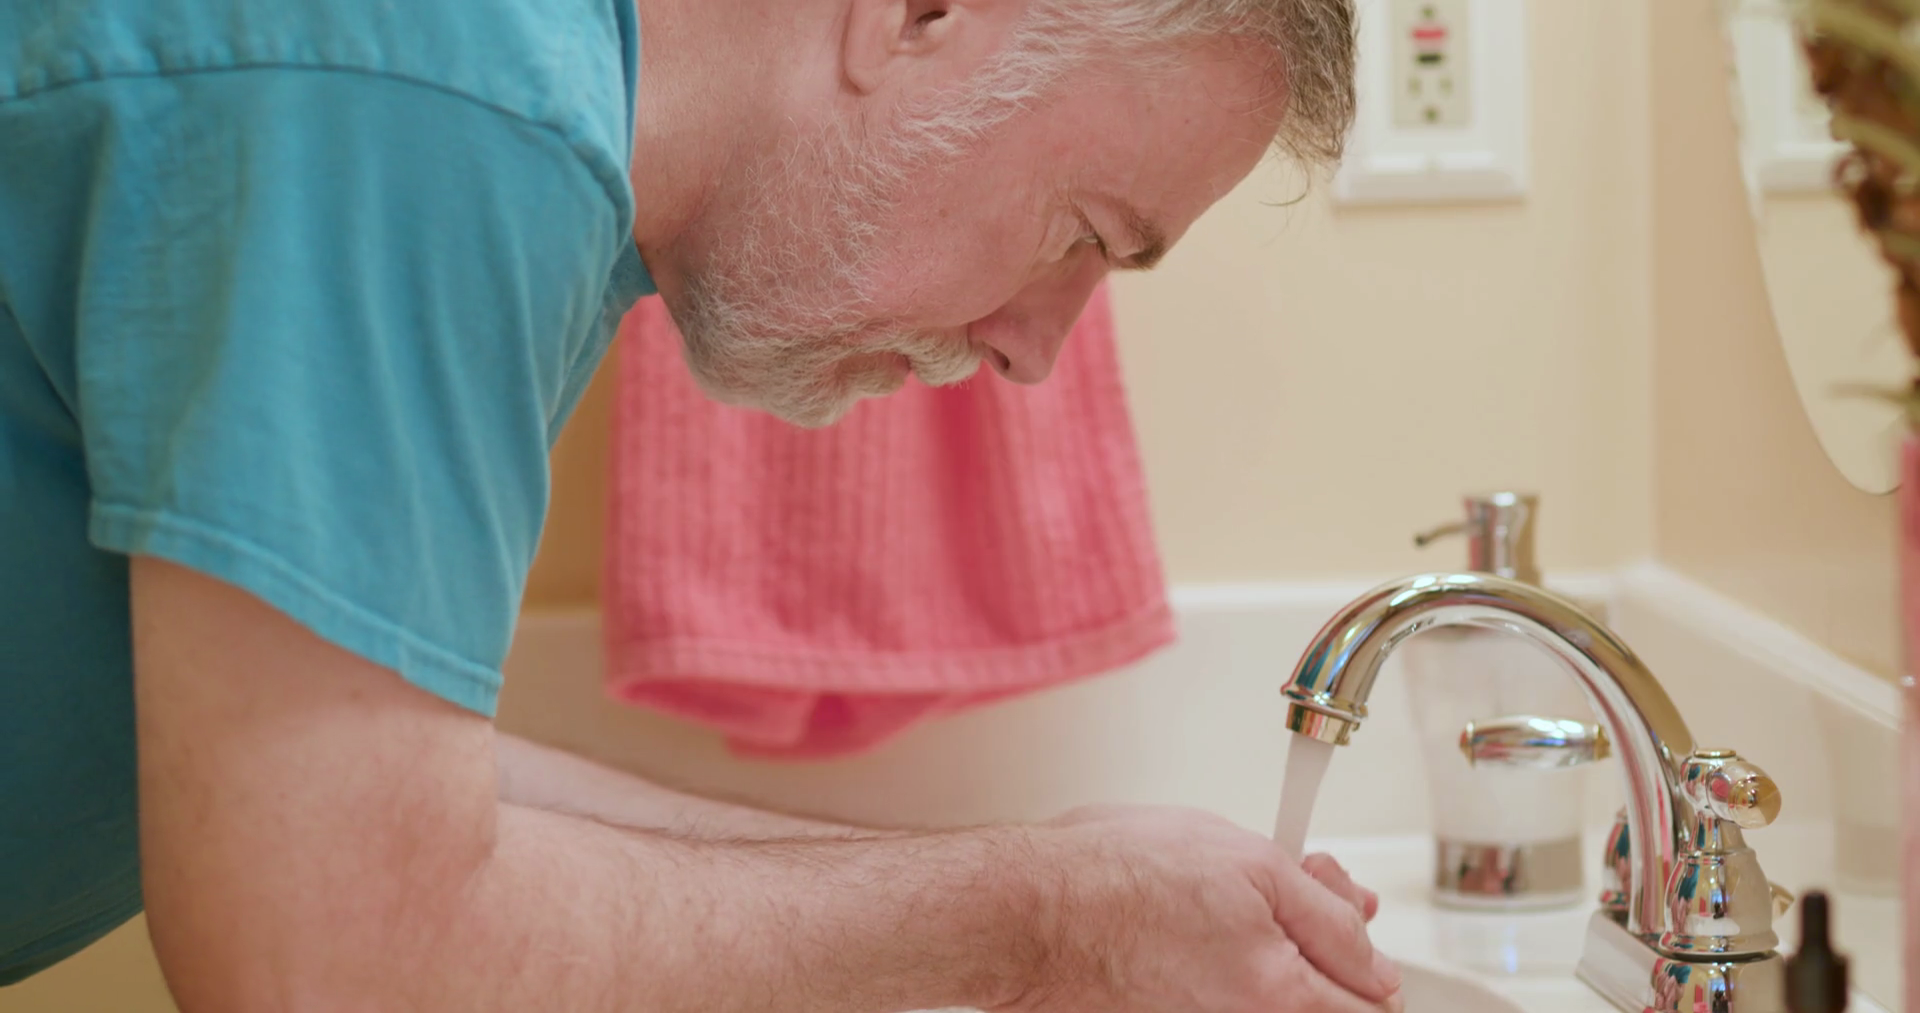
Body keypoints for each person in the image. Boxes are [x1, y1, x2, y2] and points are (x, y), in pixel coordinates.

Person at [0, 0, 1397, 1009]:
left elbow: (356, 781)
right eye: (1085, 234)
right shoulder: (436, 104)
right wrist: (1047, 922)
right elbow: (334, 956)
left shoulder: (524, 143)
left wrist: (1071, 885)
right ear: (920, 15)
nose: (1035, 353)